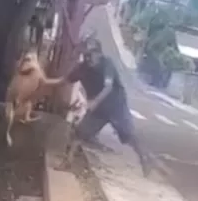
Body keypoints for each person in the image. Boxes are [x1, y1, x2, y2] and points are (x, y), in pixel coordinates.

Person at [64, 38, 151, 176]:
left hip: (115, 106)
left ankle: (145, 159)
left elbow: (108, 86)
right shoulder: (82, 68)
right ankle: (67, 162)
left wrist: (94, 102)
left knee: (129, 135)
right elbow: (64, 80)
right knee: (79, 133)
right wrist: (43, 82)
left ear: (99, 54)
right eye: (86, 55)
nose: (88, 59)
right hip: (98, 110)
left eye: (91, 55)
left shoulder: (107, 64)